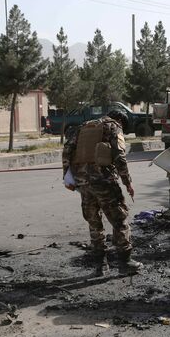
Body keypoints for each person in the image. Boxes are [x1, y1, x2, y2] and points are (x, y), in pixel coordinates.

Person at [62, 110, 143, 276]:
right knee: (119, 219)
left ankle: (100, 266)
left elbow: (67, 150)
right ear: (120, 119)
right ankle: (125, 262)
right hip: (104, 181)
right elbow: (120, 156)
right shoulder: (114, 126)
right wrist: (127, 182)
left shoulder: (83, 127)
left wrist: (68, 177)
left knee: (94, 223)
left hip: (83, 183)